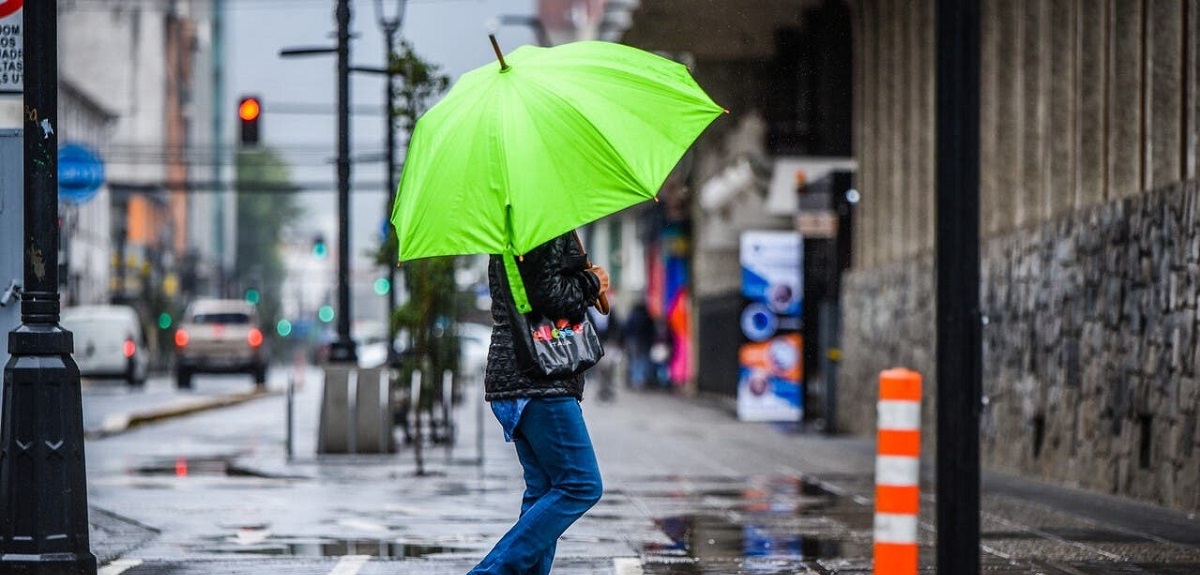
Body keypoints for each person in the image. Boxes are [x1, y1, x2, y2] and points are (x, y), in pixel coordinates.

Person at [470, 231, 610, 575]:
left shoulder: (510, 227)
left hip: (518, 378)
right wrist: (592, 281)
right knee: (581, 484)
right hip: (538, 379)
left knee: (543, 491)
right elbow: (547, 294)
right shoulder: (539, 226)